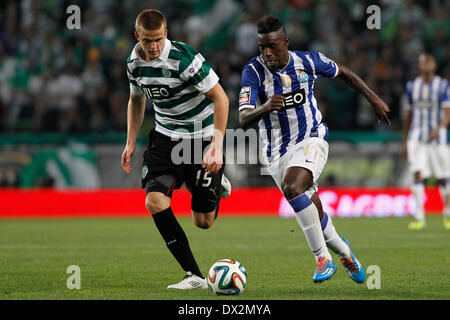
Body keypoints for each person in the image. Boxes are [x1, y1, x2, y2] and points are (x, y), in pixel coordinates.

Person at [238, 16, 390, 283]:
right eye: (262, 47)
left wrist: (373, 98)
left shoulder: (308, 61)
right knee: (315, 213)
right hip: (275, 153)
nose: (267, 53)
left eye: (272, 46)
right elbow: (243, 118)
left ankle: (322, 259)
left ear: (286, 42)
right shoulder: (253, 71)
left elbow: (343, 72)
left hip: (312, 138)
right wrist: (265, 107)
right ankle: (345, 253)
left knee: (293, 187)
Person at [121, 9, 231, 290]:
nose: (153, 46)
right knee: (154, 200)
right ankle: (194, 276)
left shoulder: (185, 58)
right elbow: (136, 100)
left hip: (202, 139)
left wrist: (216, 146)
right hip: (164, 139)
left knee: (204, 222)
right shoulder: (133, 63)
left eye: (158, 39)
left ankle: (214, 185)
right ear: (138, 37)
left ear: (166, 34)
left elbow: (220, 98)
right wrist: (131, 141)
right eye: (147, 40)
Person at [401, 53, 450, 230]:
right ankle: (420, 217)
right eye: (423, 62)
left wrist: (438, 129)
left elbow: (447, 114)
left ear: (434, 65)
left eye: (429, 61)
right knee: (418, 174)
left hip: (438, 139)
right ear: (419, 67)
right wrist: (404, 142)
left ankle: (448, 214)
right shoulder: (411, 86)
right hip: (417, 137)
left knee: (444, 176)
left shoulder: (443, 86)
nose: (426, 65)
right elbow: (408, 115)